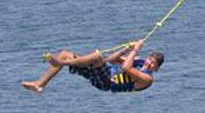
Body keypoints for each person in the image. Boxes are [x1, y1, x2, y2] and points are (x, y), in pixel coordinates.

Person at [21, 40, 163, 94]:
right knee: (65, 54)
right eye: (150, 59)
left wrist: (135, 50)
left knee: (97, 57)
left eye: (153, 64)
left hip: (107, 82)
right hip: (103, 71)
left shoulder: (147, 79)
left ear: (155, 69)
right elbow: (111, 60)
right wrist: (125, 49)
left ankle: (60, 64)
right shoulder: (137, 62)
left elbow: (125, 68)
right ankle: (40, 85)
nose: (149, 63)